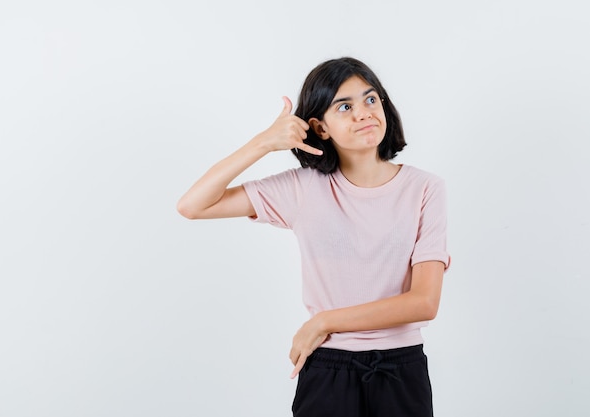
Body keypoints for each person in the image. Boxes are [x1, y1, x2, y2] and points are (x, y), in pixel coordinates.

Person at [177, 57, 450, 417]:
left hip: (402, 370)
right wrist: (262, 143)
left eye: (371, 99)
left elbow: (423, 303)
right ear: (320, 128)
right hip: (327, 373)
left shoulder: (425, 188)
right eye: (345, 106)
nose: (364, 113)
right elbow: (193, 205)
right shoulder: (303, 189)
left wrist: (324, 321)